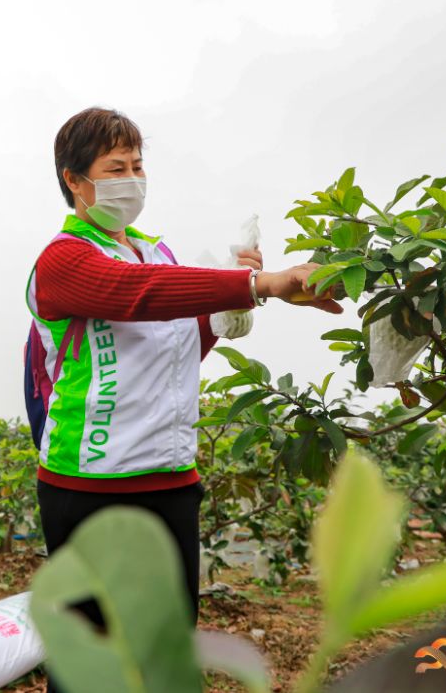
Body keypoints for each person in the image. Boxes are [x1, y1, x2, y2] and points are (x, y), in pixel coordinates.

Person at [27, 107, 342, 691]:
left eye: (137, 165)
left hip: (170, 479)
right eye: (115, 168)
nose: (132, 179)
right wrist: (255, 285)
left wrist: (224, 313)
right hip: (90, 485)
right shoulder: (64, 259)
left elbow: (171, 353)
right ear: (74, 179)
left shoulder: (157, 252)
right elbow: (136, 295)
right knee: (87, 662)